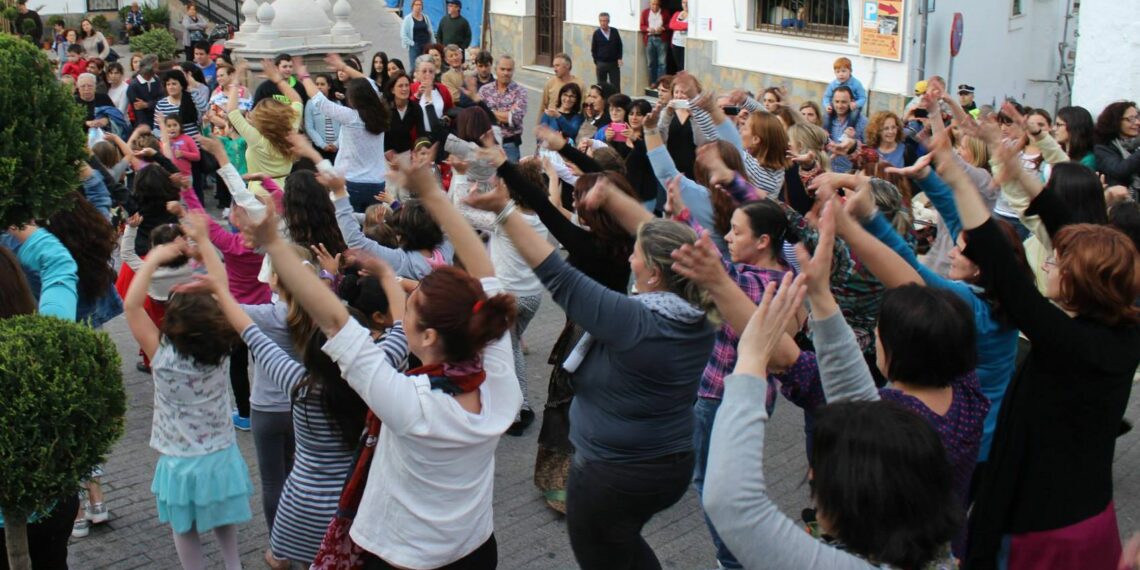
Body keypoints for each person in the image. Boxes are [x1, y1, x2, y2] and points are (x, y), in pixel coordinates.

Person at [234, 152, 520, 569]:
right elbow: (485, 273)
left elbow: (334, 320)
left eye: (410, 306)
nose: (402, 311)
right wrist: (431, 196)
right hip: (475, 549)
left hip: (405, 558)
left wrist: (273, 245)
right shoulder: (494, 375)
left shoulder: (410, 402)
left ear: (427, 336)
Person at [468, 172, 714, 569]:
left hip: (614, 473)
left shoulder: (634, 323)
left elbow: (558, 276)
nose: (630, 256)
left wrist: (504, 210)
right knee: (624, 546)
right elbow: (667, 244)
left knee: (604, 554)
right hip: (671, 463)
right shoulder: (703, 314)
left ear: (652, 274)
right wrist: (617, 201)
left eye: (638, 253)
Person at [933, 123, 1140, 570]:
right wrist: (1020, 176)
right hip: (1091, 517)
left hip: (1043, 534)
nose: (1047, 261)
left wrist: (953, 176)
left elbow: (1001, 266)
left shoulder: (1067, 341)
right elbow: (1074, 230)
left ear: (1080, 282)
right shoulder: (1123, 329)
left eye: (1057, 262)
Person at [700, 269, 962, 570]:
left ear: (855, 501)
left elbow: (732, 507)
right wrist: (821, 298)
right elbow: (858, 405)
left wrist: (751, 359)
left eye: (823, 470)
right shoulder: (929, 548)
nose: (812, 474)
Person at [123, 215, 252, 570]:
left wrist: (153, 259)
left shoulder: (161, 358)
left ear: (170, 323)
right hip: (221, 451)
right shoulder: (222, 352)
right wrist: (205, 242)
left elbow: (132, 306)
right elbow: (222, 285)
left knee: (185, 527)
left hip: (179, 459)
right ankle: (233, 564)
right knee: (225, 516)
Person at [296, 55, 390, 213]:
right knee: (374, 228)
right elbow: (371, 84)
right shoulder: (381, 115)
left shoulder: (351, 116)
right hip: (377, 184)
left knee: (350, 228)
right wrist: (344, 67)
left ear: (354, 99)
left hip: (351, 183)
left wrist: (304, 76)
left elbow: (320, 101)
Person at [228, 59, 303, 195]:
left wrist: (236, 81)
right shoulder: (291, 130)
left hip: (260, 191)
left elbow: (232, 112)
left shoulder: (256, 138)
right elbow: (297, 100)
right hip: (287, 189)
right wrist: (278, 80)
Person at [475, 55, 528, 163]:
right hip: (487, 145)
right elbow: (479, 117)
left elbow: (515, 118)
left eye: (509, 70)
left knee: (510, 179)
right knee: (487, 179)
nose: (505, 73)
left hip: (509, 145)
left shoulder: (520, 92)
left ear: (513, 71)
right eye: (502, 69)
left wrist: (488, 112)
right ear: (496, 70)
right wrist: (505, 115)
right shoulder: (485, 90)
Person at [1093, 101, 1140, 199]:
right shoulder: (1102, 149)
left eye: (1137, 117)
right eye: (1131, 119)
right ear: (1116, 122)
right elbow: (1120, 170)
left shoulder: (1137, 146)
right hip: (1121, 204)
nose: (1137, 122)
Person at [823, 86, 868, 173]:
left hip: (849, 175)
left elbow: (868, 149)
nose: (839, 106)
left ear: (852, 102)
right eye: (837, 101)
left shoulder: (863, 122)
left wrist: (854, 143)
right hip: (828, 171)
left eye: (844, 102)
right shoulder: (825, 119)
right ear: (832, 101)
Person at [539, 53, 586, 125]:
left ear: (567, 66)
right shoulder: (550, 83)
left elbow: (583, 108)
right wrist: (539, 126)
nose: (554, 69)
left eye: (557, 66)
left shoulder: (580, 84)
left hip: (571, 124)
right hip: (552, 124)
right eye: (554, 66)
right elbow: (543, 106)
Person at [303, 73, 341, 161]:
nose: (319, 87)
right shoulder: (310, 103)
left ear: (329, 86)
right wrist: (322, 145)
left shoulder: (337, 103)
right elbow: (309, 127)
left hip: (338, 148)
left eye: (322, 84)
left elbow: (343, 126)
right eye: (317, 84)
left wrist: (337, 144)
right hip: (319, 148)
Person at [127, 54, 164, 130]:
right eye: (155, 67)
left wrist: (147, 104)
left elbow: (162, 100)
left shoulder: (156, 81)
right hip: (144, 126)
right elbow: (138, 111)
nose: (158, 69)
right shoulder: (134, 86)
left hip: (159, 121)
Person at [640, 0, 670, 87]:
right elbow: (641, 26)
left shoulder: (665, 12)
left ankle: (661, 83)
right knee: (651, 62)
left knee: (662, 63)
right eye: (653, 4)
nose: (655, 6)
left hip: (661, 38)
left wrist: (663, 28)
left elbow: (669, 24)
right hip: (649, 39)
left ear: (659, 4)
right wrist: (648, 29)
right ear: (650, 4)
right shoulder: (645, 13)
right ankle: (653, 82)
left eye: (657, 4)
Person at [591, 12, 623, 90]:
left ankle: (616, 101)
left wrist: (619, 58)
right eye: (601, 21)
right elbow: (593, 49)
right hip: (601, 63)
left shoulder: (614, 31)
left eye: (605, 21)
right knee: (601, 86)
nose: (603, 23)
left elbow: (619, 45)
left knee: (615, 85)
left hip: (613, 63)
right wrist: (597, 62)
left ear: (608, 21)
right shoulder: (596, 33)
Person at [401, 0, 435, 66]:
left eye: (420, 5)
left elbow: (431, 32)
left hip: (426, 45)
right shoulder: (408, 19)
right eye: (416, 5)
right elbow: (403, 34)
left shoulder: (426, 17)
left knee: (427, 65)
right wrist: (412, 44)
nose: (418, 7)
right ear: (412, 6)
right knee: (414, 66)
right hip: (415, 46)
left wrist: (433, 44)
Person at [668, 0, 688, 72]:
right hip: (675, 43)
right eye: (683, 3)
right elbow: (671, 25)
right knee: (678, 65)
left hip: (685, 45)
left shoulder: (692, 15)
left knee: (684, 66)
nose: (685, 5)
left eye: (687, 3)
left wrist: (677, 25)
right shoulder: (677, 13)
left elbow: (690, 25)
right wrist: (684, 26)